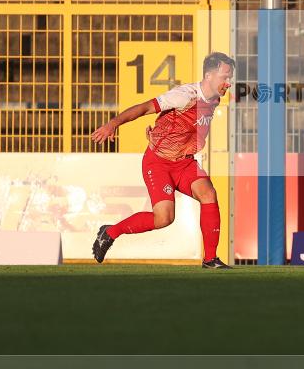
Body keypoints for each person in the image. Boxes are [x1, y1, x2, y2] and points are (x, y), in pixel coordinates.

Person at [90, 52, 235, 269]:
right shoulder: (184, 95)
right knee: (164, 218)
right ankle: (109, 232)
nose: (229, 82)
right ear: (208, 75)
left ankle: (210, 259)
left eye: (230, 77)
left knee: (209, 193)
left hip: (184, 162)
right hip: (159, 162)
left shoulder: (216, 96)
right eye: (226, 76)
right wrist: (113, 124)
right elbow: (144, 108)